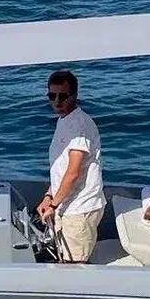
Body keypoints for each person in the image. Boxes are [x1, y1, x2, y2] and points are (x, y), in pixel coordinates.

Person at [36, 70, 106, 263]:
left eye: (63, 96)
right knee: (65, 262)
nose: (57, 101)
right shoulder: (64, 121)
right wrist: (49, 196)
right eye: (52, 96)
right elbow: (61, 168)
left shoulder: (79, 125)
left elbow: (73, 172)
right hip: (66, 205)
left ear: (74, 95)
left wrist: (53, 204)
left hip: (80, 208)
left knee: (75, 267)